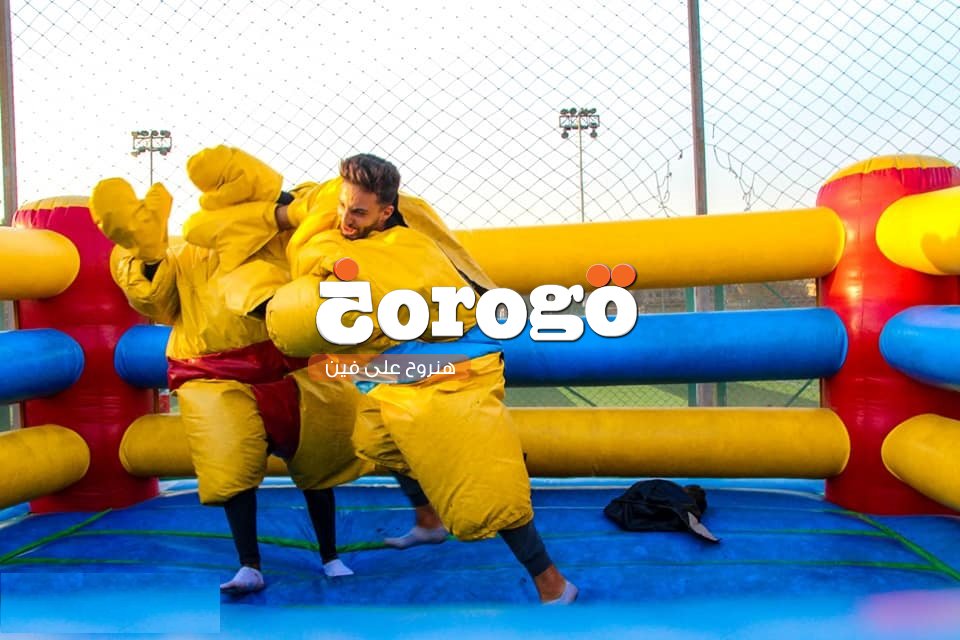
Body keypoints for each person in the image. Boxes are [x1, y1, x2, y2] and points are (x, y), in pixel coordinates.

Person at [266, 153, 578, 604]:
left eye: (359, 213)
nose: (346, 220)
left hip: (454, 366)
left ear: (386, 213)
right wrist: (275, 209)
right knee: (376, 437)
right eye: (343, 207)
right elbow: (311, 202)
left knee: (481, 483)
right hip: (401, 369)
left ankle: (553, 584)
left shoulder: (412, 250)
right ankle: (429, 522)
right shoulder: (350, 223)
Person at [89, 147, 373, 595]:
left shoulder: (284, 234)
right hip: (216, 373)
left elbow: (326, 210)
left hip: (289, 368)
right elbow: (157, 304)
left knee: (318, 463)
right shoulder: (190, 250)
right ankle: (249, 564)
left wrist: (282, 212)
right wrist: (148, 254)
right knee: (230, 464)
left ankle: (329, 555)